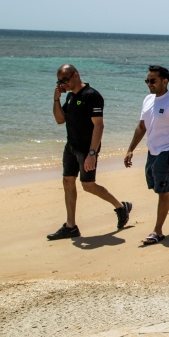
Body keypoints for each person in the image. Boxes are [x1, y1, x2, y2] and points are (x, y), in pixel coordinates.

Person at [49, 65, 132, 240]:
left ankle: (120, 206)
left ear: (76, 75)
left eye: (65, 80)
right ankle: (71, 226)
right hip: (71, 147)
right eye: (59, 81)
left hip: (87, 150)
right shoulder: (70, 96)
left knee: (88, 185)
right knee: (67, 181)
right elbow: (60, 120)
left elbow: (99, 125)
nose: (63, 84)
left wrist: (92, 154)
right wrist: (56, 99)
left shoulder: (91, 95)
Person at [124, 65, 169, 245]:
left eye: (153, 81)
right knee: (160, 186)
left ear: (165, 81)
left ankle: (157, 231)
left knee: (162, 192)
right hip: (153, 151)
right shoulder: (148, 99)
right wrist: (130, 149)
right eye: (147, 81)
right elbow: (142, 127)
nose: (149, 84)